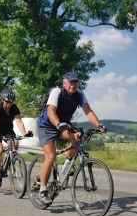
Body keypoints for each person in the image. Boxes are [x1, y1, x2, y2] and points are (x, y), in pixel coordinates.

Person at [36, 71, 106, 205]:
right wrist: (58, 124)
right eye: (70, 82)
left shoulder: (79, 95)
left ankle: (68, 163)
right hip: (47, 126)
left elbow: (88, 111)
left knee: (78, 136)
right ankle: (43, 190)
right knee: (50, 157)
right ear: (64, 83)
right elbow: (51, 111)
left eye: (75, 82)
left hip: (63, 125)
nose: (72, 85)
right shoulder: (57, 92)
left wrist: (99, 125)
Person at [0, 89, 33, 186]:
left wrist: (25, 133)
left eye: (11, 102)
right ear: (3, 100)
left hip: (7, 130)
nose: (9, 104)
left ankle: (10, 160)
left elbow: (19, 122)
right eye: (7, 101)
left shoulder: (14, 108)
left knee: (15, 143)